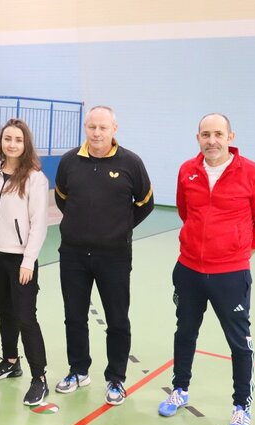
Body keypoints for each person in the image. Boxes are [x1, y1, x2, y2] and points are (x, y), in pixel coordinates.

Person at [158, 113, 255, 425]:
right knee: (185, 333)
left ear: (230, 137)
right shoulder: (187, 170)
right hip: (188, 270)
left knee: (239, 343)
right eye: (206, 134)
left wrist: (237, 254)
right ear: (198, 138)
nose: (212, 141)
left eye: (218, 134)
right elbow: (185, 212)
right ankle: (180, 389)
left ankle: (241, 407)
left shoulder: (252, 172)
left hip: (231, 276)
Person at [54, 105, 154, 406]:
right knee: (74, 316)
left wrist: (118, 228)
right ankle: (78, 370)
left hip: (114, 257)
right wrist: (80, 227)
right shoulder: (69, 161)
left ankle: (116, 378)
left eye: (103, 128)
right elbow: (62, 199)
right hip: (73, 255)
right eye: (92, 127)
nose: (96, 133)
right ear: (85, 127)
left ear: (114, 129)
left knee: (117, 319)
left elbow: (145, 203)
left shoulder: (131, 162)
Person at [0, 119, 50, 406]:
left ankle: (39, 378)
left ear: (25, 144)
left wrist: (28, 260)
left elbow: (39, 223)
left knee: (25, 317)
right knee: (3, 312)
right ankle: (11, 361)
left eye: (18, 140)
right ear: (1, 142)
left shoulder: (35, 179)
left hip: (20, 259)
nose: (12, 144)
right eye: (7, 138)